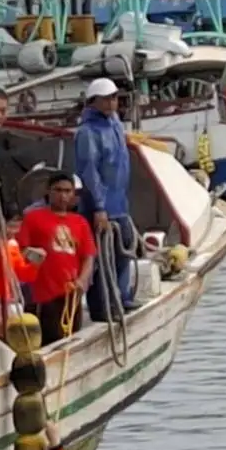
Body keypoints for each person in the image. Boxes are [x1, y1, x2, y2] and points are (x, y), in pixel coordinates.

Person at [74, 77, 137, 321]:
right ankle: (102, 307)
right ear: (94, 102)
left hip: (119, 201)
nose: (113, 102)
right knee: (101, 257)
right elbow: (89, 171)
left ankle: (121, 298)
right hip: (100, 205)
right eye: (108, 98)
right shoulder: (87, 133)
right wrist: (98, 207)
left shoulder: (115, 125)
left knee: (123, 251)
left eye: (115, 97)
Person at [16, 171, 96, 343]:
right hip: (42, 295)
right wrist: (33, 257)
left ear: (74, 194)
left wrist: (82, 280)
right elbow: (20, 250)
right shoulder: (33, 218)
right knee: (46, 341)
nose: (63, 196)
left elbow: (88, 256)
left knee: (70, 340)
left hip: (71, 293)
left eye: (68, 191)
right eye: (58, 190)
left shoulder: (80, 222)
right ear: (48, 191)